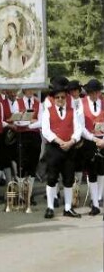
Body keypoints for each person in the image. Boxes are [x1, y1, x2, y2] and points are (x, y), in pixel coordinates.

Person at [42, 80, 82, 219]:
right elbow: (46, 131)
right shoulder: (47, 111)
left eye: (63, 97)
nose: (60, 100)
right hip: (54, 148)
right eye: (57, 97)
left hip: (69, 148)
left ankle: (68, 208)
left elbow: (78, 129)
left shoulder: (72, 111)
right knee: (52, 178)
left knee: (68, 178)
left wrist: (71, 142)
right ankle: (50, 207)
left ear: (66, 98)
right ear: (53, 98)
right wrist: (60, 141)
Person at [80, 79, 104, 215]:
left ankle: (100, 197)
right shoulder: (82, 104)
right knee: (91, 171)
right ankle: (94, 201)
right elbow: (80, 126)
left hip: (103, 140)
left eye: (96, 93)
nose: (94, 95)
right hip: (90, 141)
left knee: (102, 170)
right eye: (91, 93)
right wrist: (93, 138)